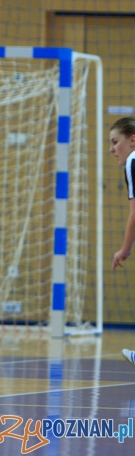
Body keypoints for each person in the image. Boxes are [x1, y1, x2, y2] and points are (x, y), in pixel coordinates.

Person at [109, 118, 135, 367]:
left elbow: (134, 212)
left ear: (133, 140)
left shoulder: (132, 161)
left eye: (115, 142)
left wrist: (125, 249)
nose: (111, 149)